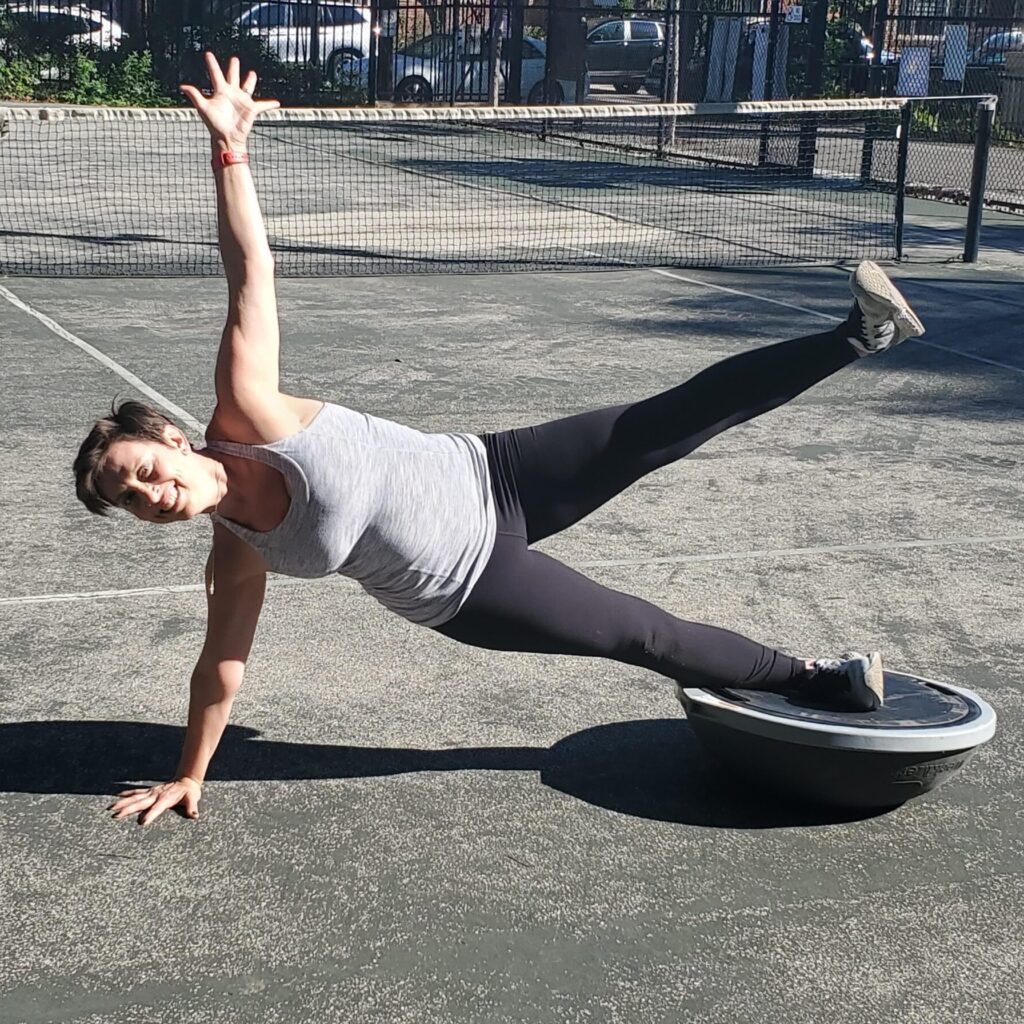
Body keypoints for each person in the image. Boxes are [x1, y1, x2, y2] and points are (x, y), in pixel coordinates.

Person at [74, 55, 925, 827]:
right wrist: (190, 775)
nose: (150, 495)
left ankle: (858, 334)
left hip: (495, 470)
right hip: (472, 585)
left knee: (669, 420)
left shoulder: (248, 410)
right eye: (131, 500)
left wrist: (230, 151)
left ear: (173, 439)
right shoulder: (236, 553)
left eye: (142, 471)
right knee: (644, 635)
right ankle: (822, 680)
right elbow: (221, 667)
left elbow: (249, 270)